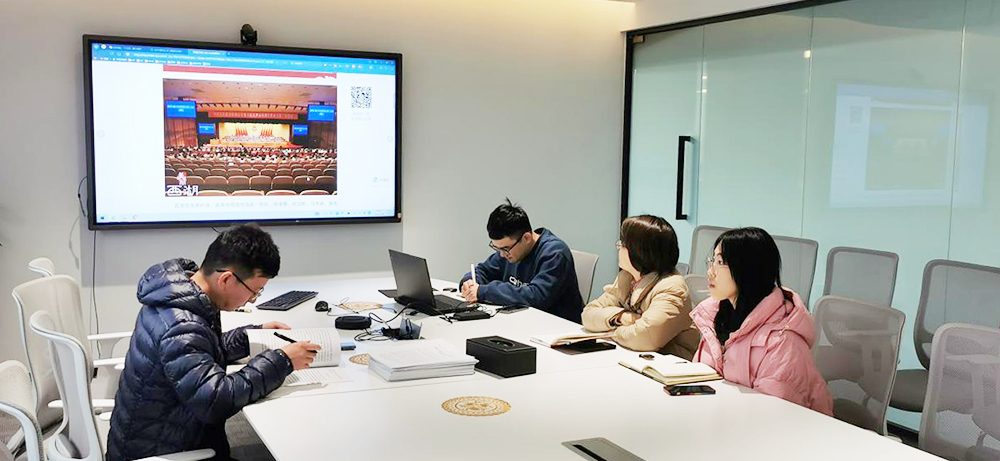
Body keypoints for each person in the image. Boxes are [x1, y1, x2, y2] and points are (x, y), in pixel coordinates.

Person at [107, 225, 321, 461]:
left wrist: (250, 336)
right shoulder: (181, 326)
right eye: (255, 291)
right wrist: (282, 361)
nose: (252, 300)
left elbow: (202, 351)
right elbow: (215, 401)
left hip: (158, 437)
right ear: (226, 279)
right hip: (162, 452)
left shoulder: (181, 296)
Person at [690, 227, 833, 415]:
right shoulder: (715, 318)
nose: (710, 271)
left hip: (781, 428)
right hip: (722, 419)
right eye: (712, 261)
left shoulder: (782, 342)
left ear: (748, 269)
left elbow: (770, 416)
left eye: (720, 262)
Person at [581, 215, 700, 358]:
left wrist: (610, 332)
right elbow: (588, 314)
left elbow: (644, 338)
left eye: (622, 244)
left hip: (671, 366)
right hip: (639, 359)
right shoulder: (627, 278)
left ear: (640, 251)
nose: (618, 249)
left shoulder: (672, 287)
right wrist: (621, 317)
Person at [460, 199, 583, 323]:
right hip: (522, 322)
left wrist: (483, 291)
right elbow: (483, 270)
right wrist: (469, 282)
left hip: (557, 327)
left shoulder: (555, 253)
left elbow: (536, 297)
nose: (502, 255)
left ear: (526, 238)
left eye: (505, 249)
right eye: (497, 248)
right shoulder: (510, 251)